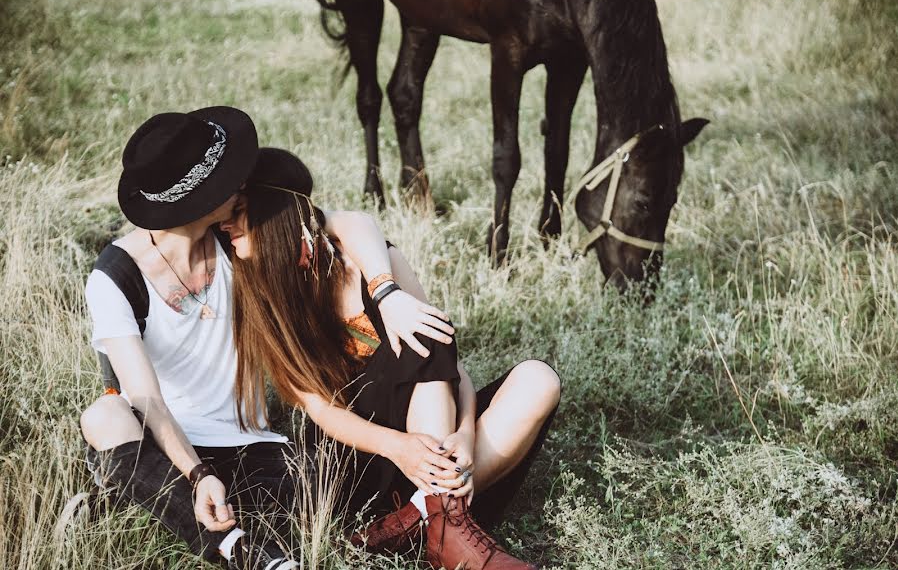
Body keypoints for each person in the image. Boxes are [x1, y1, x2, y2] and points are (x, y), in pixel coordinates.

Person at [79, 107, 456, 570]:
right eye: (230, 179)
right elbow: (148, 402)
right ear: (199, 199)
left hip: (256, 447)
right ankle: (248, 554)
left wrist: (386, 288)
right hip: (171, 449)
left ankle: (431, 514)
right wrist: (196, 474)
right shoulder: (116, 277)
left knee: (331, 500)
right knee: (104, 415)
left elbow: (341, 221)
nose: (243, 183)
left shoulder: (237, 243)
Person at [220, 149, 561, 570]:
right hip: (361, 461)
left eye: (239, 211)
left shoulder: (373, 263)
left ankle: (423, 518)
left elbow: (444, 364)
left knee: (537, 378)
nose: (226, 224)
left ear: (276, 214)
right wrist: (397, 447)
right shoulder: (263, 300)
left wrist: (468, 433)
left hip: (427, 453)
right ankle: (442, 521)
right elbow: (321, 412)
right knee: (420, 332)